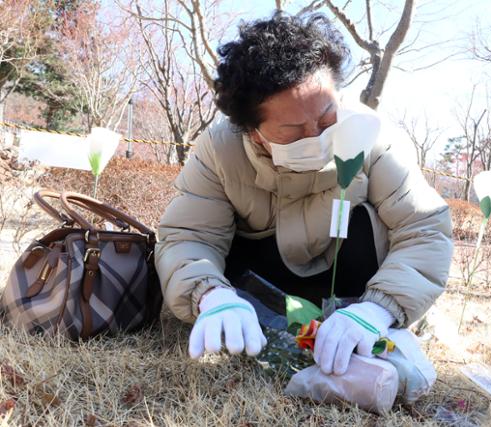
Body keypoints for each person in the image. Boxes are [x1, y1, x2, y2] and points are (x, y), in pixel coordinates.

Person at [155, 12, 453, 376]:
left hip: (357, 292)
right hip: (260, 294)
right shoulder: (220, 149)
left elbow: (423, 229)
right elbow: (189, 236)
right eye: (293, 131)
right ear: (252, 131)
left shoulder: (371, 137)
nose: (317, 136)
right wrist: (209, 293)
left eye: (327, 118)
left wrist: (379, 308)